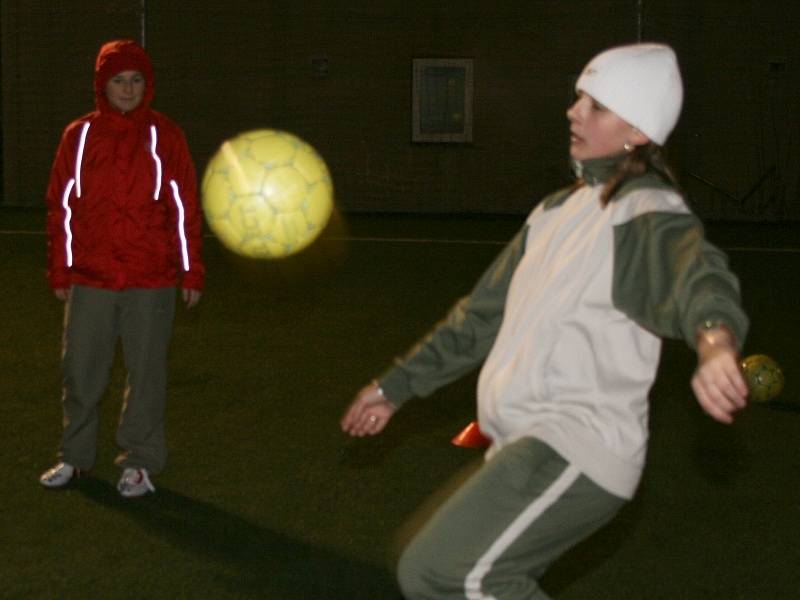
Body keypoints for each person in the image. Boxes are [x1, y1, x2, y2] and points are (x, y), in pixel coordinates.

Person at [341, 43, 749, 599]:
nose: (573, 112)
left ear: (638, 130)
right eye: (578, 97)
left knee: (443, 573)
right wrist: (395, 387)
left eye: (597, 105)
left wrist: (714, 340)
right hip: (526, 440)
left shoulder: (646, 211)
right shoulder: (556, 212)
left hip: (577, 443)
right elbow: (478, 318)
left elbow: (696, 274)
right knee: (432, 567)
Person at [39, 39, 204, 498]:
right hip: (91, 276)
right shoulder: (78, 136)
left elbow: (184, 206)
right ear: (102, 84)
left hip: (150, 277)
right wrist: (61, 269)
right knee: (80, 370)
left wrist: (190, 272)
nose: (128, 89)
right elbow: (62, 207)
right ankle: (75, 457)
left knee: (146, 373)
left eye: (136, 79)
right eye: (118, 80)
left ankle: (139, 462)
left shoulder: (166, 135)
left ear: (146, 84)